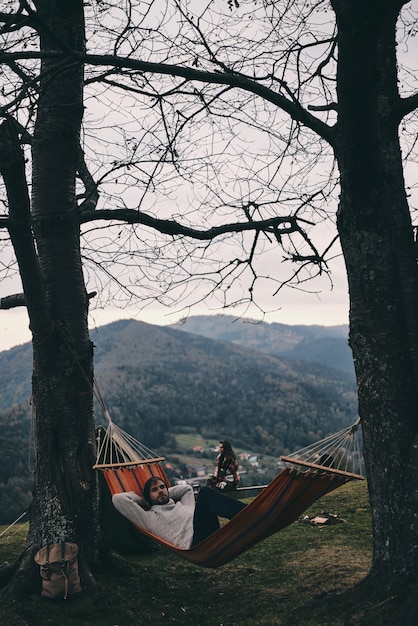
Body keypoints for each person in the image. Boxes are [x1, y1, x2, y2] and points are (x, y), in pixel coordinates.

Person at [112, 476, 246, 549]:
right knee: (205, 493)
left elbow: (186, 489)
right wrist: (143, 500)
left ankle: (247, 514)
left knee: (205, 494)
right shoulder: (148, 518)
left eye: (162, 487)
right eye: (154, 490)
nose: (160, 491)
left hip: (211, 535)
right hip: (197, 546)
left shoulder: (184, 504)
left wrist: (167, 493)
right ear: (149, 497)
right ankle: (245, 513)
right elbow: (118, 499)